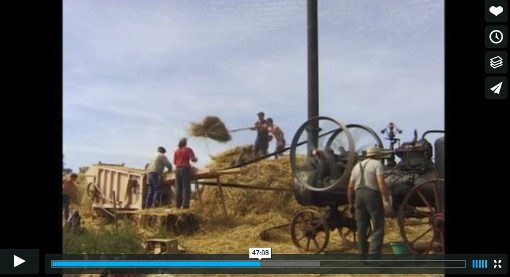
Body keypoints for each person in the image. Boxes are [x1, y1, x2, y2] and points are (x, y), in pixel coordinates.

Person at [347, 146, 391, 256]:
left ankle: (363, 257)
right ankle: (374, 257)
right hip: (372, 195)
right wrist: (386, 197)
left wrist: (350, 203)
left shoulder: (356, 166)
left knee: (361, 229)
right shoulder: (377, 164)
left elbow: (350, 187)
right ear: (377, 156)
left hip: (358, 196)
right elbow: (381, 183)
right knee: (378, 227)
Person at [174, 138, 197, 209]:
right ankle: (185, 205)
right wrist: (195, 159)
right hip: (185, 169)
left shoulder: (176, 151)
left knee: (178, 187)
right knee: (186, 187)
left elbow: (174, 162)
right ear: (185, 143)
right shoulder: (188, 149)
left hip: (177, 170)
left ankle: (177, 204)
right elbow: (193, 159)